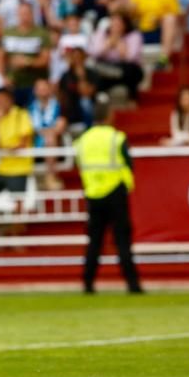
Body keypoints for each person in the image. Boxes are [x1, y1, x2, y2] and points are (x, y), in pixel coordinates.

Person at [74, 94, 142, 295]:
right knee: (122, 240)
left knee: (95, 241)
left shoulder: (82, 140)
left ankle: (88, 283)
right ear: (109, 115)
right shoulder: (116, 137)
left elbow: (81, 165)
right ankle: (132, 284)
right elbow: (129, 164)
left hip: (93, 194)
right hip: (116, 193)